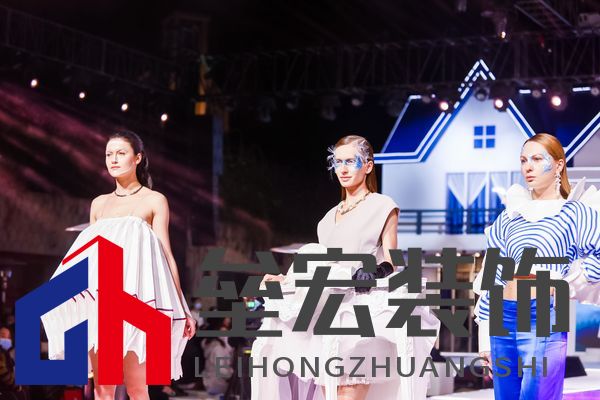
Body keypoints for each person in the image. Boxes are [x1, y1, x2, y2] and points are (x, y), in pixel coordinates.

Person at [253, 135, 439, 400]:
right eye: (338, 162)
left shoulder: (383, 205)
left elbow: (393, 257)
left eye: (351, 161)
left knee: (349, 391)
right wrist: (287, 280)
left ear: (368, 165)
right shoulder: (327, 219)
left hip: (360, 305)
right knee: (328, 390)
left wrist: (377, 272)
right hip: (327, 305)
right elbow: (320, 264)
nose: (342, 169)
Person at [41, 130, 196, 400]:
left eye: (121, 153)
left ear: (138, 158)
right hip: (103, 303)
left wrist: (182, 307)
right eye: (109, 154)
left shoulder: (154, 200)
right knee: (103, 389)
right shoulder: (99, 204)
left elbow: (166, 255)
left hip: (138, 303)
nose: (113, 159)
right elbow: (90, 258)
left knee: (137, 389)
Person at [474, 133, 600, 400]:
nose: (528, 167)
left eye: (537, 159)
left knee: (538, 395)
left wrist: (566, 286)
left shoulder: (575, 212)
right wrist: (484, 337)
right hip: (503, 314)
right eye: (523, 160)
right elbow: (491, 276)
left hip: (545, 311)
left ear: (559, 164)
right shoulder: (510, 217)